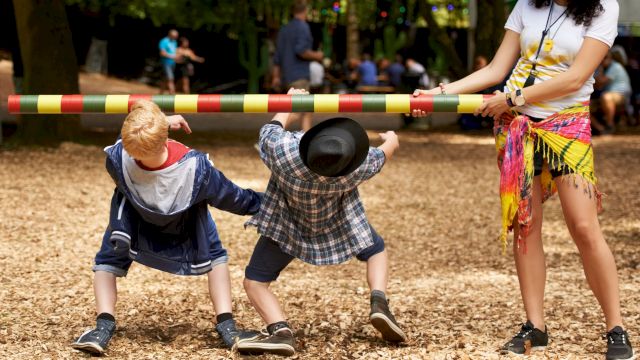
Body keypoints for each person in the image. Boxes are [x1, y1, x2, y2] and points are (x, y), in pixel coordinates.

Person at [413, 1, 632, 359]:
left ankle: (616, 327)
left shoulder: (603, 7)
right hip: (516, 127)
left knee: (584, 225)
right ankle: (536, 326)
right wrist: (441, 92)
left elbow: (576, 78)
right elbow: (498, 68)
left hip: (566, 125)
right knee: (525, 225)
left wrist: (511, 97)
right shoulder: (526, 6)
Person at [71, 100, 262, 354]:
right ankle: (227, 327)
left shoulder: (116, 159)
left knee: (108, 260)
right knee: (216, 258)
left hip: (133, 228)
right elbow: (235, 198)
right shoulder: (197, 168)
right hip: (186, 229)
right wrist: (271, 202)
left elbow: (125, 135)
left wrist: (160, 122)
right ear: (165, 138)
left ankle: (102, 327)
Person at [236, 88, 405, 356]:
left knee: (254, 282)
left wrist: (291, 101)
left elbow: (271, 129)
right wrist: (391, 138)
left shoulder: (284, 154)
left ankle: (280, 331)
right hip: (338, 226)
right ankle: (379, 302)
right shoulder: (357, 168)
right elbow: (385, 153)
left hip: (286, 227)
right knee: (376, 250)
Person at [271, 0, 323, 131]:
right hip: (299, 75)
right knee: (298, 110)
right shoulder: (303, 27)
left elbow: (277, 57)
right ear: (305, 11)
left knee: (305, 109)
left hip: (286, 76)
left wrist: (275, 77)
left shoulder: (284, 29)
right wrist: (318, 56)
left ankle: (305, 142)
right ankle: (269, 137)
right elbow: (301, 51)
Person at [593, 50, 632, 134]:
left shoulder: (615, 66)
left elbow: (599, 83)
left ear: (611, 58)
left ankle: (609, 125)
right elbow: (597, 86)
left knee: (606, 97)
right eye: (600, 58)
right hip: (611, 96)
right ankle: (601, 129)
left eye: (605, 58)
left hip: (621, 96)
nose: (602, 60)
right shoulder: (606, 68)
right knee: (585, 106)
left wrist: (599, 69)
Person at [159, 29, 179, 94]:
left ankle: (160, 95)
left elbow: (174, 52)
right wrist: (173, 56)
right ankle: (172, 96)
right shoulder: (164, 41)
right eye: (174, 36)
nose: (175, 38)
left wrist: (178, 58)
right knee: (171, 79)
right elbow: (162, 53)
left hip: (173, 63)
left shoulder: (174, 42)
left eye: (176, 36)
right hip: (166, 63)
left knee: (165, 79)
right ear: (170, 34)